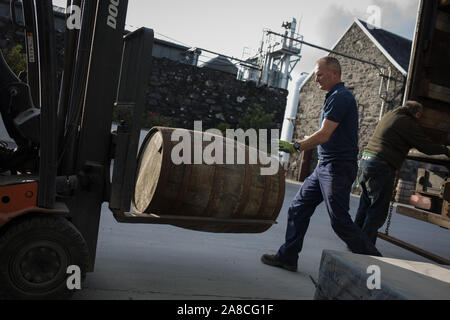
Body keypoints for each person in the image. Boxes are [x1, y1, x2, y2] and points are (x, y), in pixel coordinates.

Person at [261, 57, 382, 272]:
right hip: (324, 167)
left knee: (340, 221)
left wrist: (296, 146)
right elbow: (326, 134)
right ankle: (288, 257)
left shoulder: (341, 97)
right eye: (316, 75)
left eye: (320, 74)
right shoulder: (332, 96)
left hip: (337, 168)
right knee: (298, 208)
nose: (316, 79)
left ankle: (381, 264)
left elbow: (325, 134)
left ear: (334, 73)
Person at [354, 101, 450, 245]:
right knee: (378, 209)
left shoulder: (391, 115)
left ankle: (353, 241)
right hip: (381, 166)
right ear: (417, 114)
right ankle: (364, 246)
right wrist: (446, 150)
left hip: (366, 162)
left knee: (365, 205)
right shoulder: (407, 122)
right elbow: (426, 146)